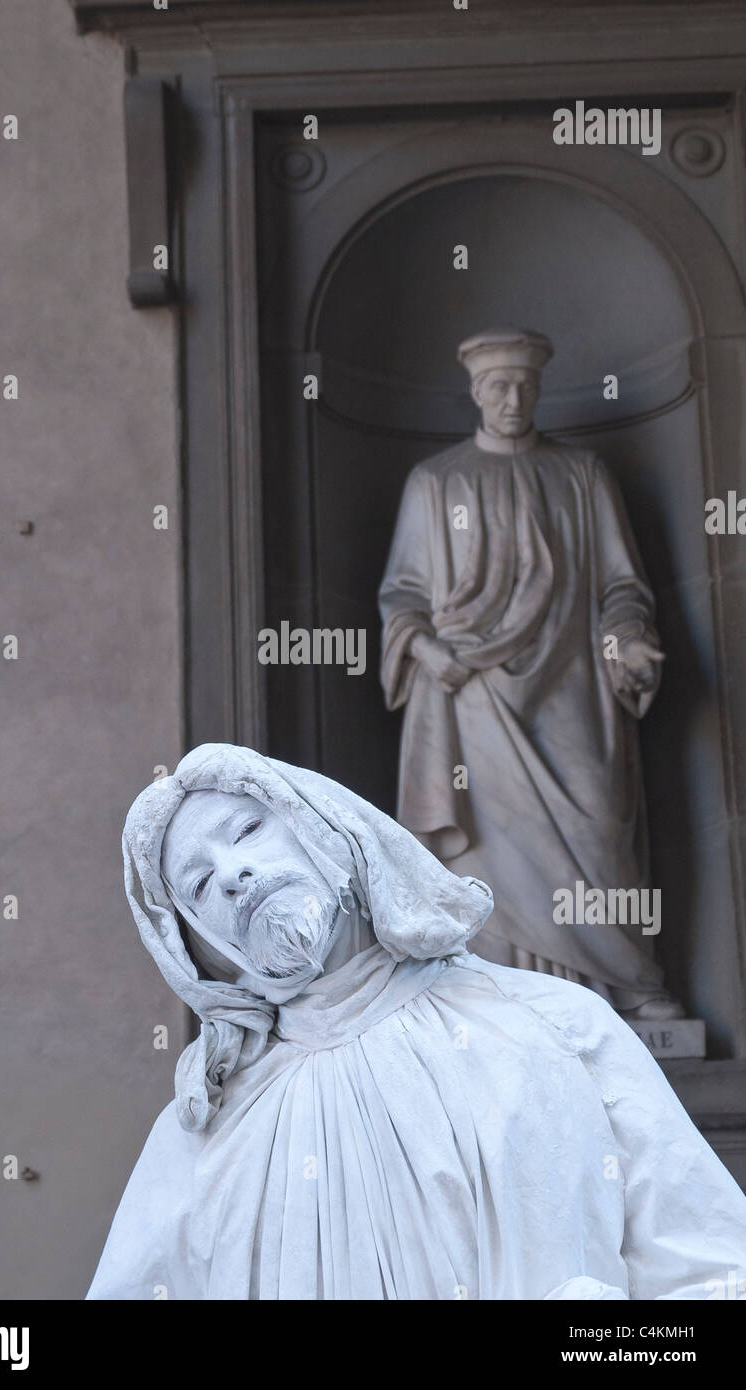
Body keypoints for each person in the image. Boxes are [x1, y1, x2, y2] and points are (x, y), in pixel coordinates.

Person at [86, 743, 746, 1301]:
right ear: (203, 946)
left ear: (326, 825)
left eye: (246, 831)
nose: (233, 873)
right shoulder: (202, 1133)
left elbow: (713, 1270)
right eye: (198, 885)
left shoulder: (557, 1025)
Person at [379, 326, 680, 1018]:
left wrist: (627, 640)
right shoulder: (436, 480)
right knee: (484, 852)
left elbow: (621, 585)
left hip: (572, 687)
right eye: (497, 387)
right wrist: (427, 651)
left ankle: (622, 986)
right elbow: (404, 593)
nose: (512, 399)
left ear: (539, 391)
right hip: (468, 697)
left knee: (600, 825)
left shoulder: (583, 475)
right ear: (475, 393)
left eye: (524, 386)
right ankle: (492, 1002)